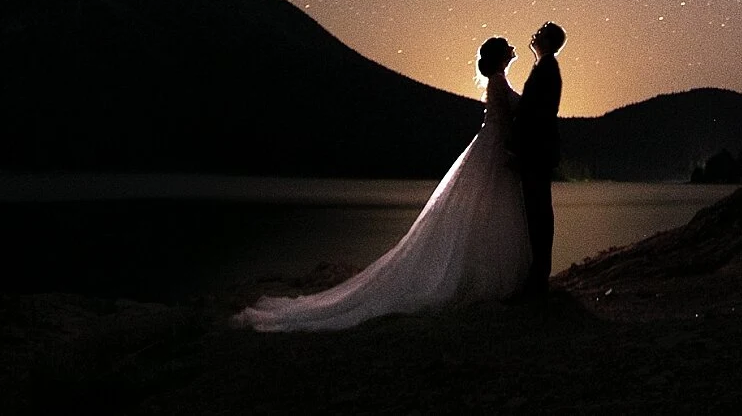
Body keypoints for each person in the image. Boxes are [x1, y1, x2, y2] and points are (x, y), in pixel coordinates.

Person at [238, 36, 532, 331]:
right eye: (506, 45)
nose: (511, 48)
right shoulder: (497, 82)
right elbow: (507, 120)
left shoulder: (498, 81)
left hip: (491, 148)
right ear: (498, 57)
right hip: (494, 150)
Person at [515, 21, 565, 295]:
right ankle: (537, 275)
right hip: (537, 150)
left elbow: (536, 113)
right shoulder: (544, 66)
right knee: (537, 211)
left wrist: (519, 144)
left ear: (547, 41)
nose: (534, 34)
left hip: (536, 151)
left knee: (538, 212)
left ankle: (538, 279)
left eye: (540, 32)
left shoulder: (547, 68)